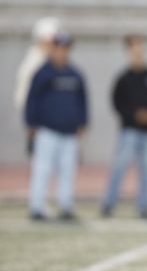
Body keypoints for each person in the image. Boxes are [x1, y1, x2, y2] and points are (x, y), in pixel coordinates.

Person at [101, 35, 147, 220]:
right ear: (129, 51)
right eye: (134, 48)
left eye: (141, 48)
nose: (138, 52)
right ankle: (108, 204)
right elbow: (117, 103)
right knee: (119, 167)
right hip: (129, 131)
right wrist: (134, 115)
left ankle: (144, 206)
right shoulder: (124, 79)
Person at [25, 31, 88, 221]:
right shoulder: (42, 73)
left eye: (66, 48)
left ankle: (66, 206)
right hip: (47, 131)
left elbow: (82, 101)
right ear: (53, 49)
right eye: (59, 48)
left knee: (67, 171)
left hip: (69, 132)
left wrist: (83, 122)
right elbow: (32, 100)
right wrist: (31, 124)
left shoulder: (75, 74)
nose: (62, 52)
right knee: (42, 169)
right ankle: (37, 207)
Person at [14, 17, 62, 156]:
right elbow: (23, 96)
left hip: (57, 122)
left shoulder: (55, 62)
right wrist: (31, 122)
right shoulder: (33, 63)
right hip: (41, 123)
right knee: (42, 165)